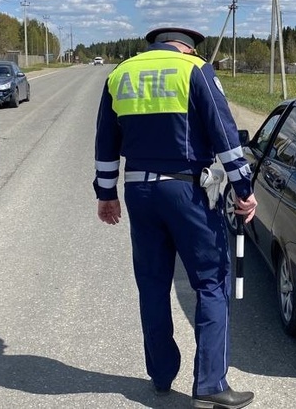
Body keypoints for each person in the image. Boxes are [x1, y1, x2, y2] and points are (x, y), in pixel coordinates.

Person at [93, 26, 257, 409]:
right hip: (187, 191)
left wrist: (106, 194)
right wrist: (244, 190)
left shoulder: (120, 73)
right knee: (212, 282)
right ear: (186, 46)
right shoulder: (194, 69)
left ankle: (162, 376)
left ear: (154, 43)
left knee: (152, 284)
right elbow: (225, 133)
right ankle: (210, 384)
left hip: (138, 191)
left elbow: (105, 139)